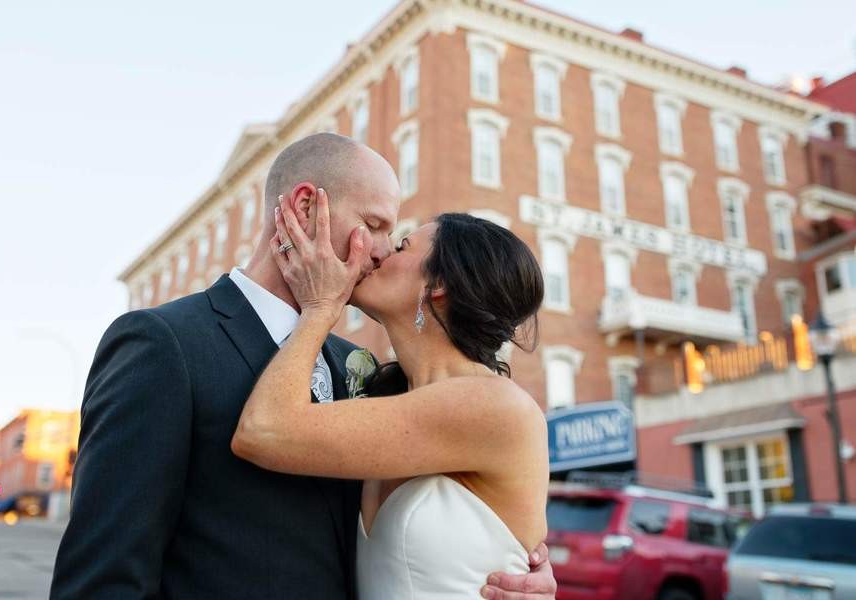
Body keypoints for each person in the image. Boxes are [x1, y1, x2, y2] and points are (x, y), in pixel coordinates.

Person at [50, 133, 557, 599]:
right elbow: (102, 575)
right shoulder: (164, 344)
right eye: (377, 226)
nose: (380, 252)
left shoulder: (357, 370)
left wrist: (526, 571)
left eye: (396, 240)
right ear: (305, 206)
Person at [231, 187, 551, 598]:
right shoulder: (383, 401)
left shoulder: (494, 406)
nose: (379, 254)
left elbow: (264, 430)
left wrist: (321, 307)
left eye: (400, 245)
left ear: (438, 284)